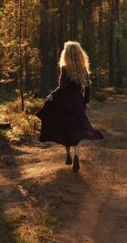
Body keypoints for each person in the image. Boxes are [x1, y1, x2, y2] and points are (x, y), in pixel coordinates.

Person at [36, 41, 103, 171]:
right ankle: (77, 154)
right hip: (77, 103)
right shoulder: (82, 67)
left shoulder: (65, 68)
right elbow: (87, 87)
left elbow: (62, 87)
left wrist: (52, 95)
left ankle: (68, 155)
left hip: (65, 103)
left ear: (65, 53)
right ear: (79, 54)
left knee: (65, 129)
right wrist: (85, 101)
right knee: (77, 130)